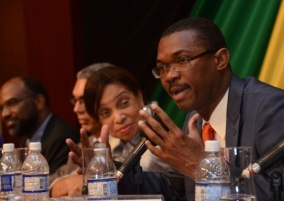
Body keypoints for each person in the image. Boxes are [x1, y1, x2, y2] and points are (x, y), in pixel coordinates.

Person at [135, 17, 284, 200]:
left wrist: (203, 167)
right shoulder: (195, 118)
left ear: (220, 60)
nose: (169, 76)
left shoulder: (271, 108)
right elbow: (179, 192)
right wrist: (110, 172)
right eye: (163, 68)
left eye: (182, 60)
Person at [51, 65, 169, 197]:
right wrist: (68, 182)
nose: (118, 118)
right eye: (106, 112)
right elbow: (61, 183)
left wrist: (99, 177)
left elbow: (144, 174)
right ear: (99, 120)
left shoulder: (161, 137)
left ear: (139, 97)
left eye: (124, 103)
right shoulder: (111, 144)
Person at [49, 62, 113, 186]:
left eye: (84, 100)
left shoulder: (127, 142)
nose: (76, 109)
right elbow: (57, 178)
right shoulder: (83, 144)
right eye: (75, 100)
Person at [0, 76, 79, 175]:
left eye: (12, 103)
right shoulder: (27, 139)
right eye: (1, 108)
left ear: (39, 102)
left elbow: (54, 185)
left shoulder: (62, 138)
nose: (4, 114)